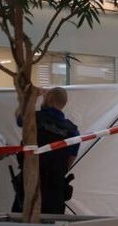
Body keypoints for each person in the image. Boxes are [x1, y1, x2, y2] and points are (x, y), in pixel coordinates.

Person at [13, 87, 80, 216]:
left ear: (48, 99)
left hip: (30, 183)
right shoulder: (72, 131)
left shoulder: (34, 118)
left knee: (22, 224)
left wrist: (31, 98)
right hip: (55, 190)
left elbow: (19, 117)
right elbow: (70, 160)